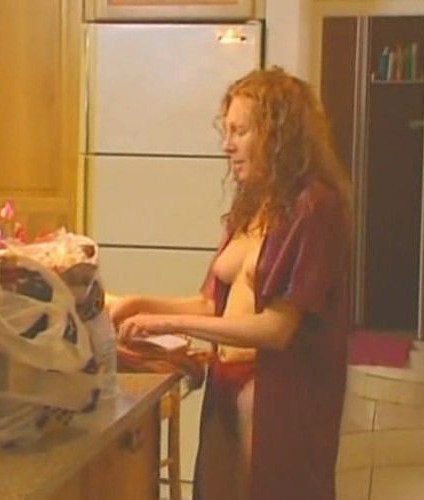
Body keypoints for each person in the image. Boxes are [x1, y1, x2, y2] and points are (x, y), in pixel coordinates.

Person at [109, 67, 352, 500]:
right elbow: (211, 305)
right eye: (226, 131)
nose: (227, 144)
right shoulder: (254, 202)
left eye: (240, 131)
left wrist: (166, 324)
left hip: (277, 389)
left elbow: (276, 329)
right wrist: (139, 303)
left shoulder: (314, 206)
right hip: (226, 377)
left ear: (278, 135)